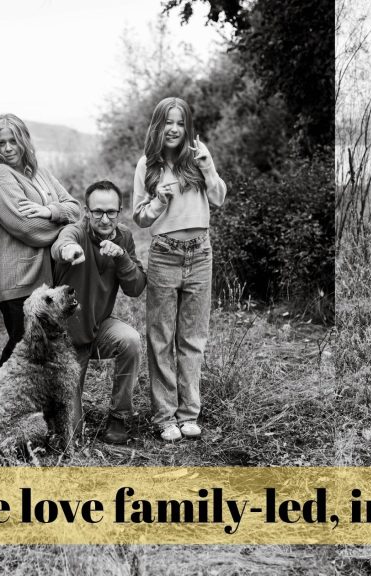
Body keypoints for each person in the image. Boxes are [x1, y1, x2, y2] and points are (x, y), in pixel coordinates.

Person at [132, 97, 227, 442]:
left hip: (200, 254)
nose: (173, 128)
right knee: (161, 339)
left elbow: (218, 199)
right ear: (158, 126)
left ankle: (189, 414)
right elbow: (139, 218)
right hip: (165, 255)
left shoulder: (198, 157)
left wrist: (209, 167)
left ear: (187, 126)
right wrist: (157, 199)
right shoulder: (148, 164)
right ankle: (164, 417)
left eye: (180, 122)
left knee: (192, 339)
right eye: (167, 122)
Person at [0, 114, 82, 373]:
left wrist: (49, 211)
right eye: (1, 143)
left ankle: (12, 407)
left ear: (24, 140)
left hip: (39, 278)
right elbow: (26, 227)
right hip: (15, 277)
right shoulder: (0, 175)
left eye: (13, 141)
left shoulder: (40, 173)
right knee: (23, 346)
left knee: (35, 348)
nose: (7, 148)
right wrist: (65, 228)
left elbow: (76, 208)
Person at [52, 180, 147, 444]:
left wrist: (121, 257)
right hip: (67, 342)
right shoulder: (76, 233)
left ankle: (118, 417)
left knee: (129, 340)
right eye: (97, 212)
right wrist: (68, 250)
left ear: (120, 210)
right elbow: (61, 244)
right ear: (86, 211)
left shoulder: (124, 236)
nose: (105, 219)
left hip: (98, 327)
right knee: (71, 437)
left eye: (111, 212)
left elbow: (136, 288)